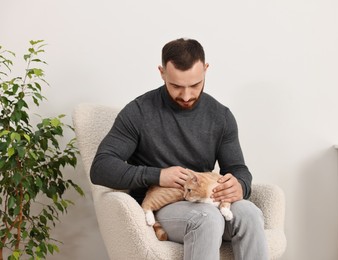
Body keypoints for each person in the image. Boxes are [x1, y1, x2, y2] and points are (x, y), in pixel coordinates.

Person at [90, 38, 269, 260]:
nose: (186, 96)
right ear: (162, 72)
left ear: (205, 70)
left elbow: (237, 168)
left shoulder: (221, 116)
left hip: (205, 199)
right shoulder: (138, 112)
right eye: (176, 86)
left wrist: (240, 185)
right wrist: (158, 175)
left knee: (250, 213)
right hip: (164, 205)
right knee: (206, 218)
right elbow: (100, 168)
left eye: (195, 85)